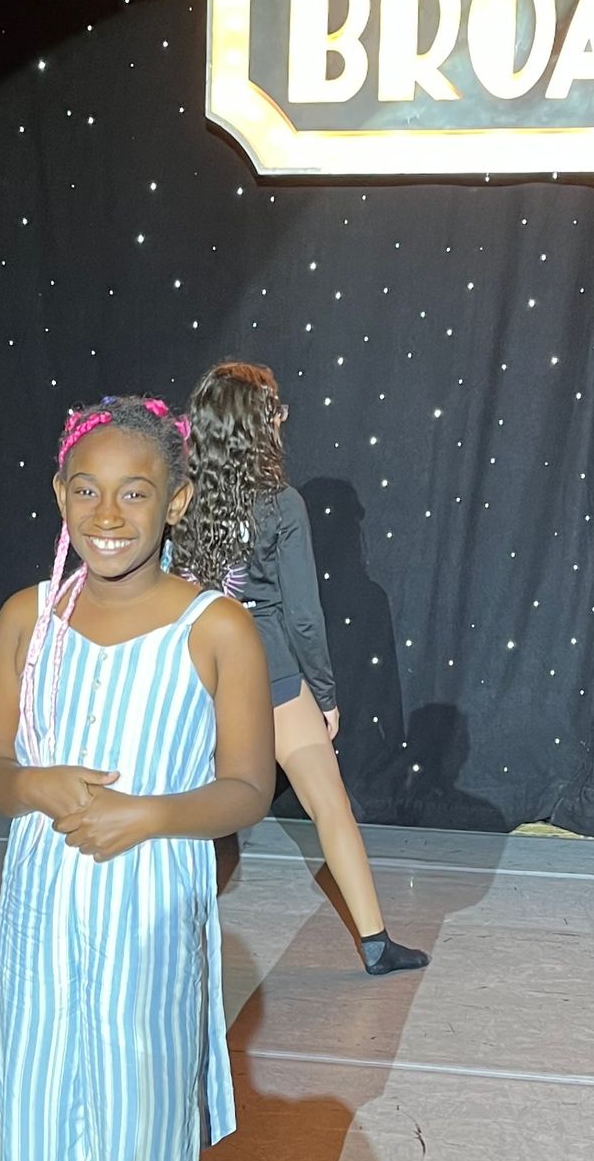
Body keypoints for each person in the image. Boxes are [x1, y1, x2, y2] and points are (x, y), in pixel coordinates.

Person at [0, 394, 273, 1161]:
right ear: (60, 497)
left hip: (149, 922)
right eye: (86, 490)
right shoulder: (26, 618)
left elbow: (247, 785)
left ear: (178, 501)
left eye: (136, 490)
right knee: (62, 1147)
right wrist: (37, 787)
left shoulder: (214, 628)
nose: (109, 513)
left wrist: (149, 816)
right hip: (44, 931)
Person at [176, 359, 428, 976]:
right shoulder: (281, 504)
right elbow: (305, 617)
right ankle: (375, 942)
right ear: (254, 425)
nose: (284, 418)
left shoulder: (176, 496)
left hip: (197, 669)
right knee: (329, 806)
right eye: (276, 410)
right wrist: (325, 693)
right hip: (273, 673)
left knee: (195, 817)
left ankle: (170, 944)